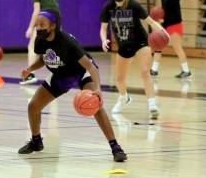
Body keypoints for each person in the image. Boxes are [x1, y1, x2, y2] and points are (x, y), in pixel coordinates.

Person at [18, 10, 127, 162]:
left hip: (81, 72)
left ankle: (115, 147)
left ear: (53, 26)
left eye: (42, 25)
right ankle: (36, 141)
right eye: (37, 25)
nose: (38, 28)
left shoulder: (67, 42)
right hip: (60, 75)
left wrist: (97, 90)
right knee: (33, 106)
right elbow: (44, 59)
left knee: (96, 105)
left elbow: (91, 67)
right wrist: (30, 69)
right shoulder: (40, 40)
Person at [99, 0, 168, 119]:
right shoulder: (108, 8)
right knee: (119, 79)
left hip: (140, 42)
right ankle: (124, 98)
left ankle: (152, 105)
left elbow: (150, 22)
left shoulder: (133, 4)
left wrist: (164, 32)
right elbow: (103, 28)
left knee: (144, 72)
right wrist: (104, 39)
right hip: (124, 45)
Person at [21, 0, 60, 85]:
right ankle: (57, 73)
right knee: (53, 46)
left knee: (32, 46)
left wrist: (30, 27)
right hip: (57, 19)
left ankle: (30, 75)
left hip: (45, 18)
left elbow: (36, 11)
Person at [150, 0, 191, 78]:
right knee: (158, 45)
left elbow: (174, 14)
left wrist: (163, 20)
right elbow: (164, 12)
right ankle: (154, 70)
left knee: (177, 48)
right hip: (166, 25)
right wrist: (160, 19)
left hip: (174, 25)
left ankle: (186, 71)